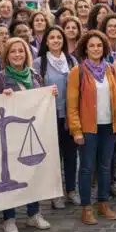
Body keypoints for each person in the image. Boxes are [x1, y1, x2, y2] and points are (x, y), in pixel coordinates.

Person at [0, 37, 54, 232]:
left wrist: (50, 95)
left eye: (21, 51)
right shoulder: (0, 78)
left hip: (30, 133)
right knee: (9, 175)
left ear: (27, 54)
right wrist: (2, 98)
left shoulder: (35, 76)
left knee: (30, 173)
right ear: (6, 56)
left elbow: (39, 102)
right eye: (13, 52)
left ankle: (33, 213)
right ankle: (9, 218)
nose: (17, 55)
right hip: (8, 135)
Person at [66, 30, 116, 225]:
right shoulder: (78, 71)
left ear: (104, 48)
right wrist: (76, 130)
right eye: (92, 45)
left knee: (105, 166)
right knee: (86, 168)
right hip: (88, 129)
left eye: (99, 45)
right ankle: (86, 207)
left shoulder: (111, 69)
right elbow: (72, 105)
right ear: (85, 48)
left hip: (108, 127)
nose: (95, 49)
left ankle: (103, 203)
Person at [34, 26, 79, 209]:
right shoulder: (39, 63)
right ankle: (55, 193)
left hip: (69, 115)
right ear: (46, 41)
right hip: (49, 117)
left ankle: (71, 190)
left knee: (71, 155)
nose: (55, 41)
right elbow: (34, 89)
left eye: (59, 37)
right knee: (54, 156)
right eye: (51, 38)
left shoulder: (71, 60)